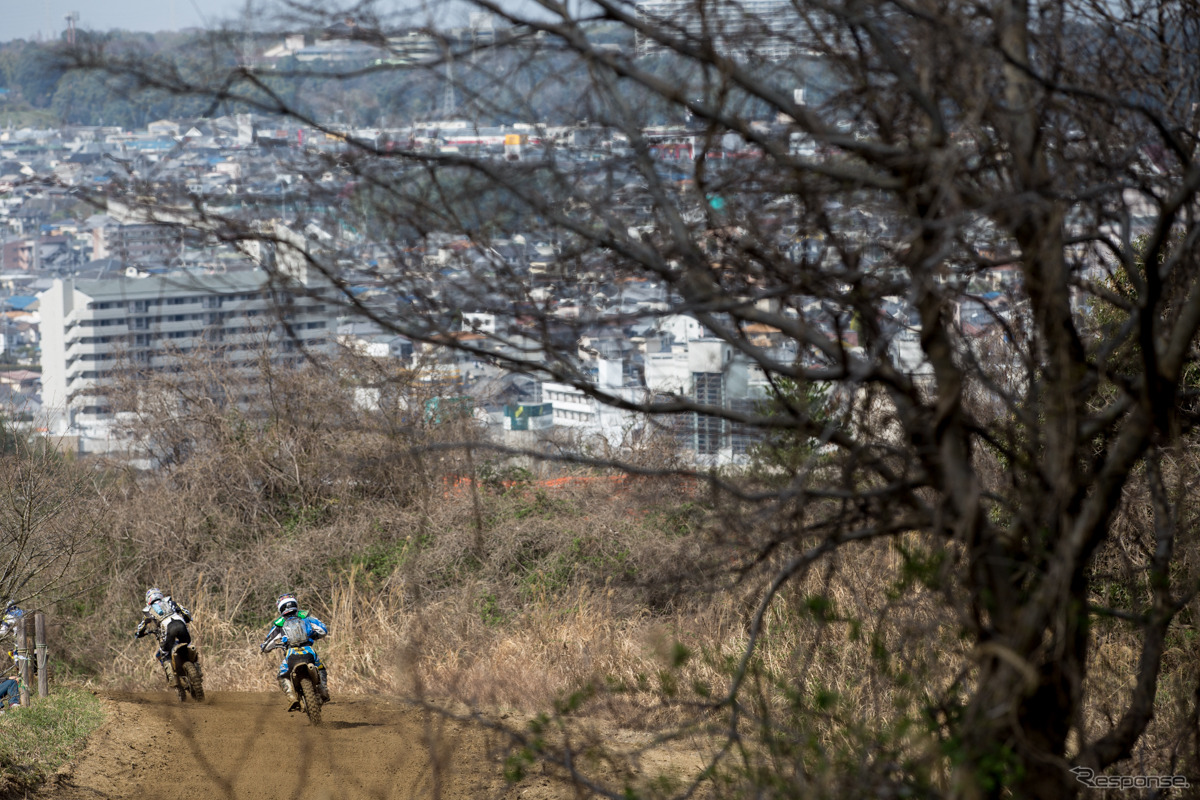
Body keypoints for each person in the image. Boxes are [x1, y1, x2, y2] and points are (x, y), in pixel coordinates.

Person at [259, 593, 329, 710]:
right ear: (295, 604)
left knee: (281, 675)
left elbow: (266, 645)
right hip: (309, 652)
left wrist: (268, 647)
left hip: (291, 654)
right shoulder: (306, 617)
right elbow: (323, 629)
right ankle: (323, 688)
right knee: (320, 667)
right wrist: (314, 635)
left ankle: (291, 697)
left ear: (280, 608)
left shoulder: (279, 624)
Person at [135, 588, 193, 687]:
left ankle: (172, 679)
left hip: (167, 627)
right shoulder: (171, 602)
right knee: (188, 645)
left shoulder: (148, 610)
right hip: (180, 623)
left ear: (148, 599)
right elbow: (185, 612)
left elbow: (141, 627)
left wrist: (138, 634)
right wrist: (187, 619)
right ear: (160, 595)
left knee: (164, 653)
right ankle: (196, 667)